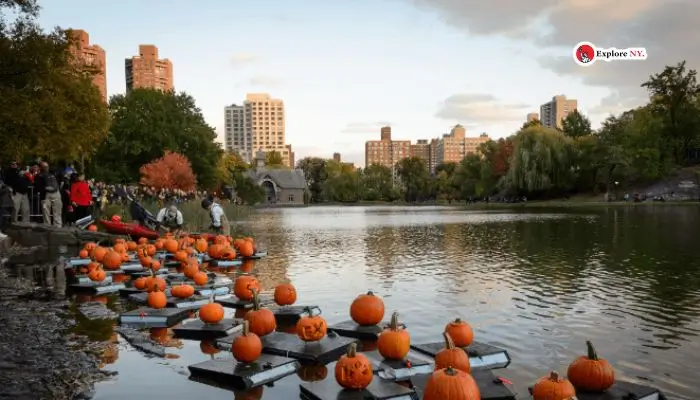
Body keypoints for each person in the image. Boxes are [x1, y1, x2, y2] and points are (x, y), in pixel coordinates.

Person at [34, 161, 62, 227]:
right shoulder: (39, 176)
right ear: (41, 167)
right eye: (45, 167)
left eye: (47, 166)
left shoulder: (53, 173)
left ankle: (58, 226)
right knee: (46, 212)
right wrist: (44, 188)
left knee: (57, 211)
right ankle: (47, 226)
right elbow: (37, 186)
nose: (47, 168)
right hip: (46, 195)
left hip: (56, 193)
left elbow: (60, 179)